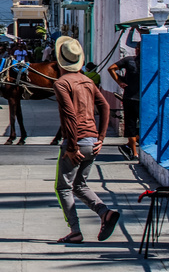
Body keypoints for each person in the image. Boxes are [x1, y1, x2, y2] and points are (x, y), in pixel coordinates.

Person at [53, 36, 120, 244]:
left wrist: (72, 147)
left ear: (60, 61)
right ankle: (105, 213)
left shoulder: (61, 83)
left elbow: (70, 116)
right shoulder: (88, 81)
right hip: (92, 141)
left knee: (63, 187)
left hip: (76, 142)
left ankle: (75, 231)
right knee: (80, 185)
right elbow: (105, 106)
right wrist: (101, 137)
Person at [108, 45, 140, 161]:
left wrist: (119, 81)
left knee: (131, 124)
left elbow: (111, 68)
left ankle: (132, 150)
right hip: (141, 99)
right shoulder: (149, 62)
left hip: (130, 98)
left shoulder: (129, 60)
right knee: (140, 125)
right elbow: (111, 68)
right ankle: (132, 149)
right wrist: (119, 81)